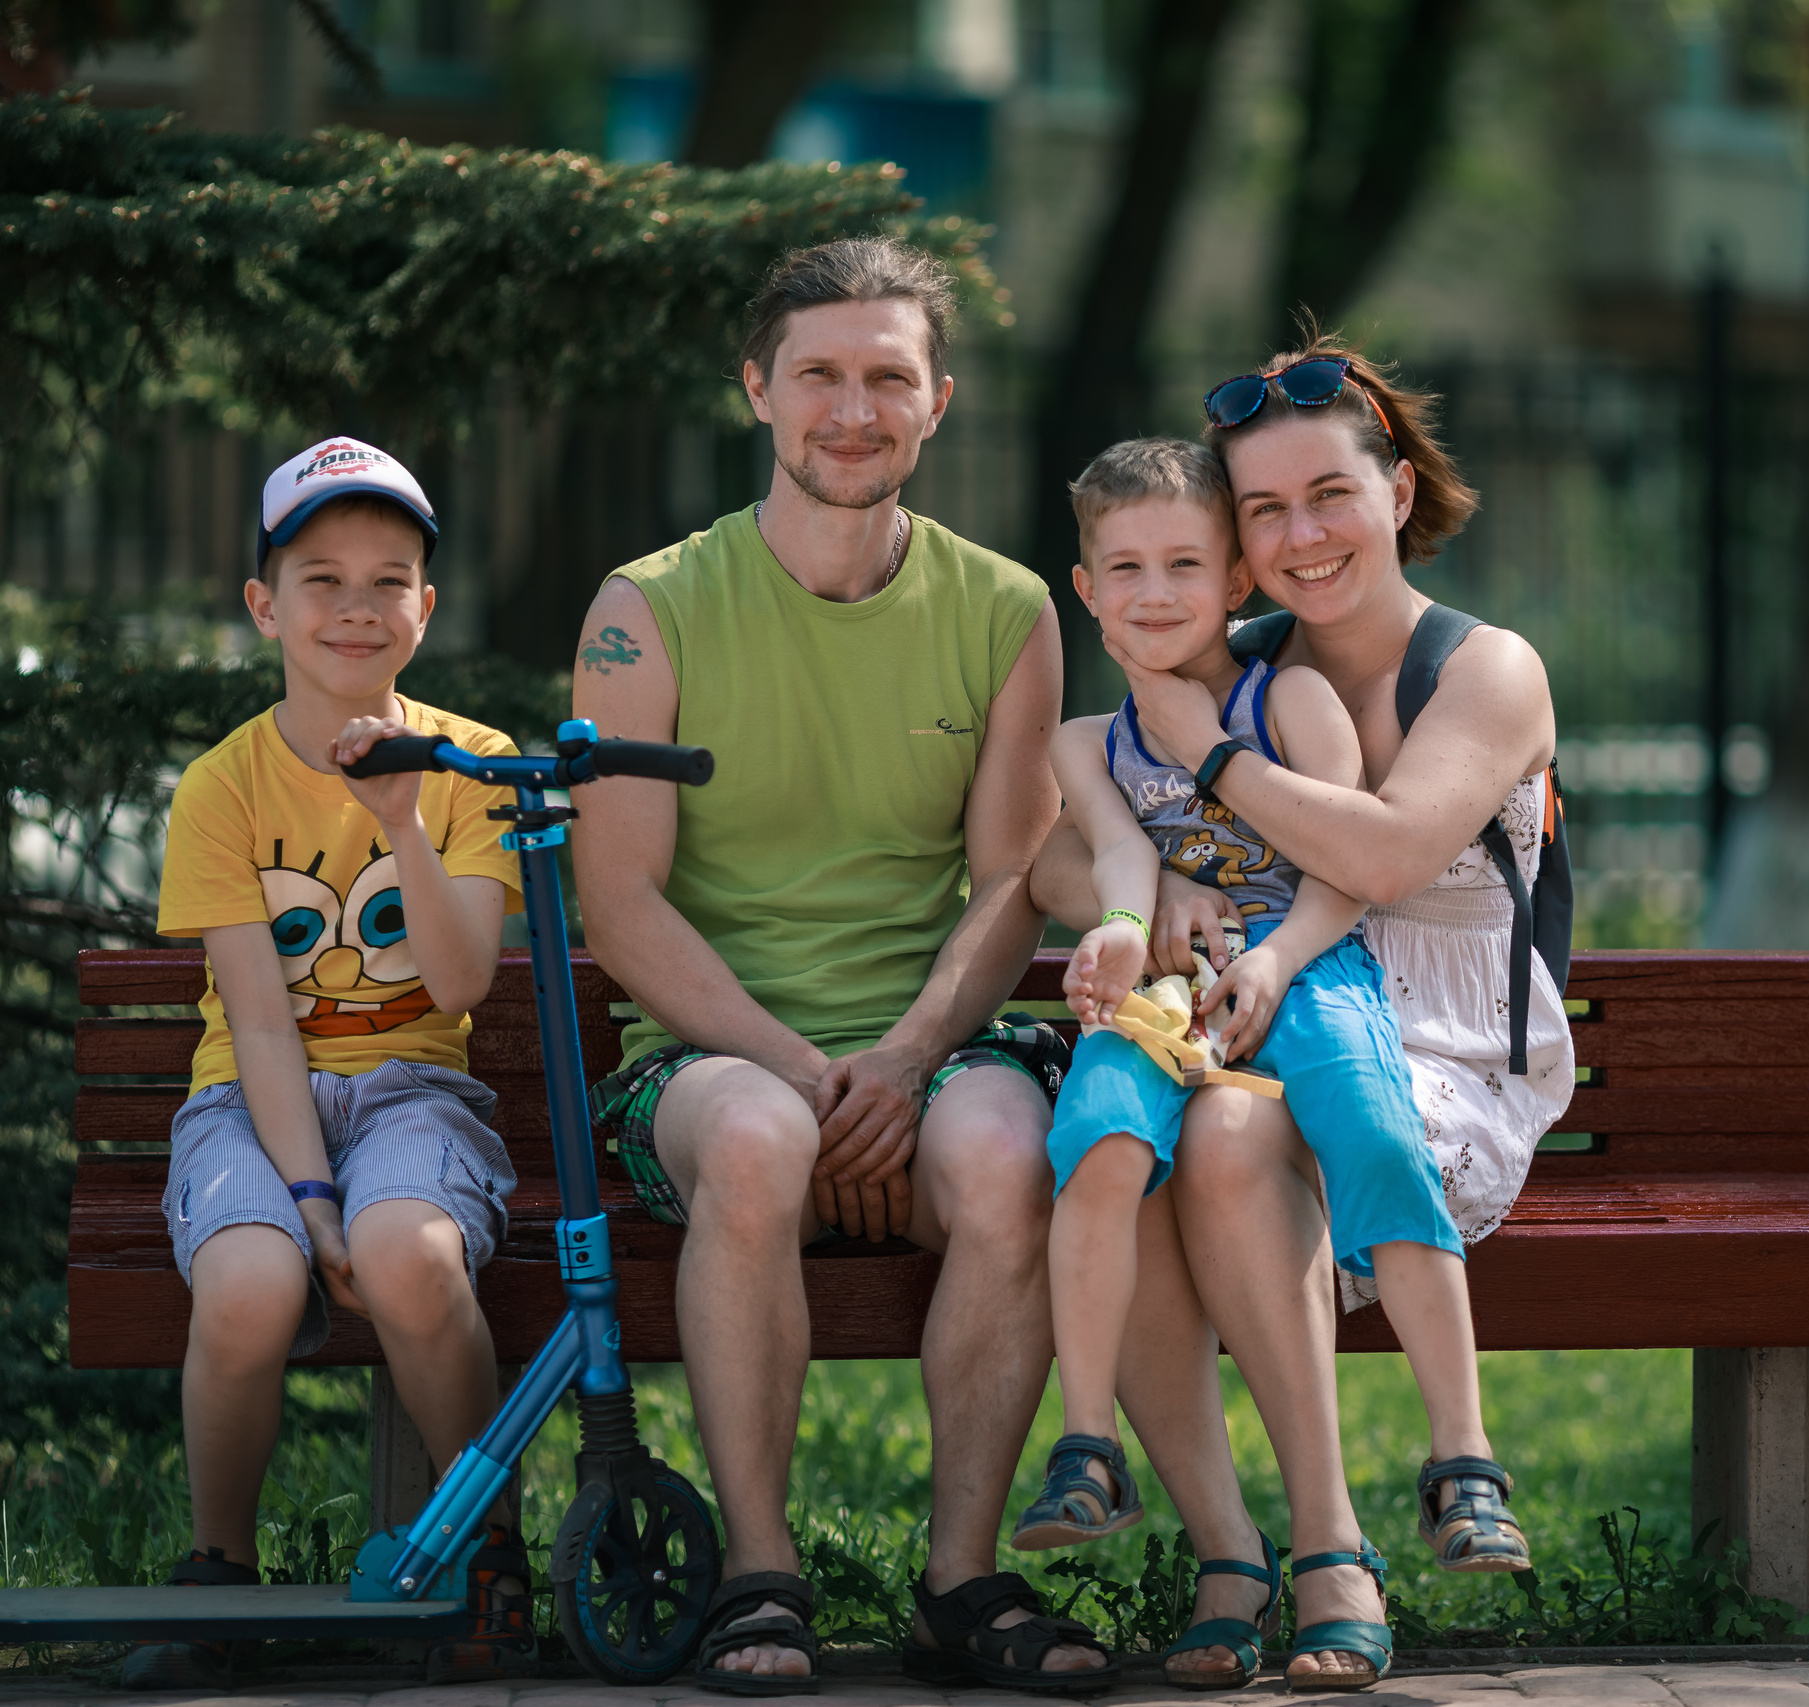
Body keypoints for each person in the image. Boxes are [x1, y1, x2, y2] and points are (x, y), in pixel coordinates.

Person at [569, 236, 1121, 1694]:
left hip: (925, 1052)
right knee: (755, 1141)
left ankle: (960, 1578)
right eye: (819, 372)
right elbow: (618, 903)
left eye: (889, 376)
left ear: (938, 401)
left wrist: (910, 1054)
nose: (852, 408)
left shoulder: (1006, 610)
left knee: (1014, 1153)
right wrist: (811, 1075)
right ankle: (760, 1572)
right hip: (713, 1064)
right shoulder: (647, 604)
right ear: (759, 388)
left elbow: (1015, 876)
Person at [1032, 336, 1573, 1692]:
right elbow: (1054, 835)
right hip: (1248, 1005)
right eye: (1262, 509)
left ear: (1396, 488)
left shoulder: (1483, 667)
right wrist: (1145, 881)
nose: (1300, 534)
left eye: (1328, 493)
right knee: (1139, 1148)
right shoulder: (1225, 643)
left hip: (1439, 1042)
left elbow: (1382, 858)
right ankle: (1230, 1544)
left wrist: (1209, 747)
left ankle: (1341, 1538)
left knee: (1216, 1142)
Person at [129, 439, 533, 1690]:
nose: (356, 608)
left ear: (426, 603)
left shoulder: (475, 763)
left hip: (419, 1092)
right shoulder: (223, 787)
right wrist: (307, 1202)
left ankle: (484, 1563)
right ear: (265, 605)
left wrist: (403, 818)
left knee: (413, 1258)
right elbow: (257, 1025)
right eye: (321, 578)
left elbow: (460, 983)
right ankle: (218, 1577)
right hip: (255, 1104)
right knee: (249, 1283)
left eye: (388, 579)